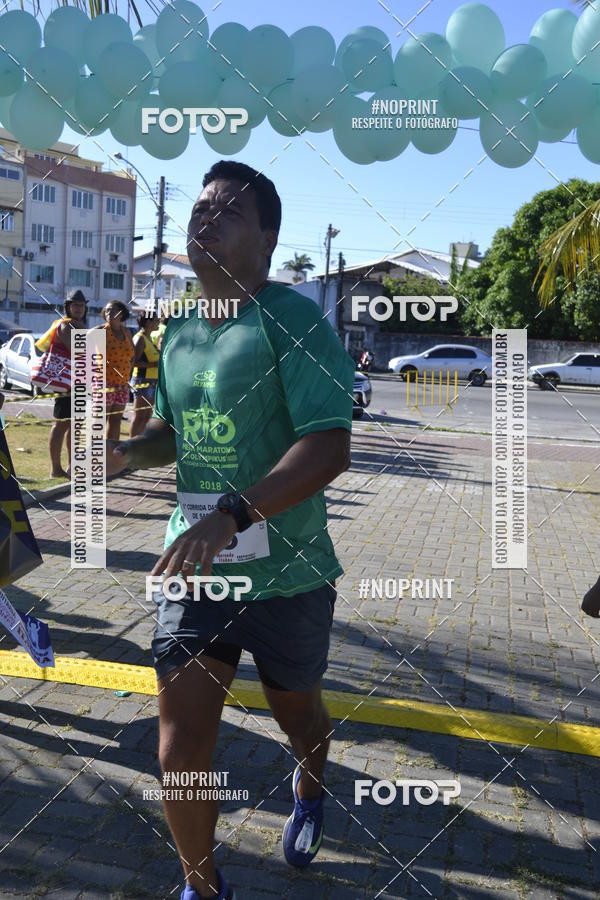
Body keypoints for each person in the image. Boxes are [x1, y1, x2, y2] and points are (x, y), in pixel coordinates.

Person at [106, 160, 355, 900]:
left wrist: (235, 514)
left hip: (290, 570)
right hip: (198, 563)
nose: (206, 217)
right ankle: (201, 886)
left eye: (230, 212)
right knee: (181, 745)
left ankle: (310, 783)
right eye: (202, 207)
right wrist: (124, 452)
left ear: (269, 240)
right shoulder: (179, 330)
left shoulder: (295, 318)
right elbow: (169, 433)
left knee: (300, 714)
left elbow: (328, 444)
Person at [35, 290, 87, 478]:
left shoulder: (79, 325)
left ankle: (72, 465)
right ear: (68, 307)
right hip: (66, 383)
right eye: (75, 305)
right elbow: (78, 351)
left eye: (81, 305)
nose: (79, 308)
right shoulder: (65, 326)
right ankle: (55, 469)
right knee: (61, 425)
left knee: (76, 425)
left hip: (78, 381)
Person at [94, 301, 134, 441]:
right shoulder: (100, 331)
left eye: (114, 310)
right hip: (105, 381)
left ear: (121, 314)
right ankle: (94, 453)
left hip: (123, 383)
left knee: (116, 420)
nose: (109, 313)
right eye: (107, 310)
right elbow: (80, 348)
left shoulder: (126, 332)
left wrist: (129, 376)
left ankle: (110, 453)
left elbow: (132, 355)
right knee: (101, 420)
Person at [129, 311, 160, 438]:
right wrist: (154, 365)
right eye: (155, 320)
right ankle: (131, 445)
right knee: (139, 416)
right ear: (148, 323)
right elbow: (133, 362)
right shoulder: (140, 339)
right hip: (142, 380)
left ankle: (139, 446)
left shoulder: (149, 338)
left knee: (147, 416)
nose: (158, 322)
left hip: (152, 381)